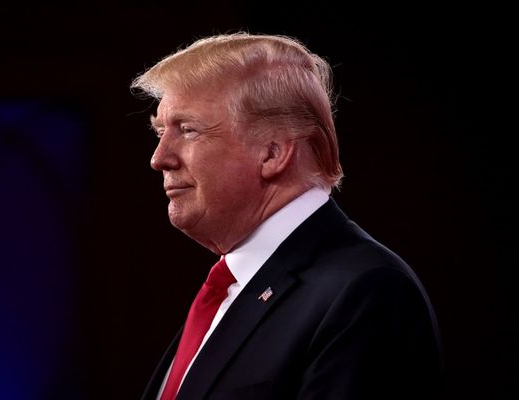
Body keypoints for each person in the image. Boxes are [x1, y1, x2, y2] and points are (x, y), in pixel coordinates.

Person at [130, 32, 442, 400]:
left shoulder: (366, 291)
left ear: (273, 153)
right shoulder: (233, 288)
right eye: (160, 131)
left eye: (188, 130)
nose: (159, 158)